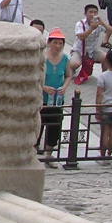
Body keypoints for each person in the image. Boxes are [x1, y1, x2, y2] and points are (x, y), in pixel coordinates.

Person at [40, 28, 73, 167]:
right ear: (49, 43)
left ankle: (49, 153)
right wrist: (44, 87)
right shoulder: (42, 58)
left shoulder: (65, 59)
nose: (57, 46)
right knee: (38, 125)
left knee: (55, 126)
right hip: (43, 100)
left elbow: (68, 75)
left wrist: (65, 87)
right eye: (55, 43)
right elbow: (35, 77)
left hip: (57, 99)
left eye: (60, 43)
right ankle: (34, 152)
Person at [73, 3, 112, 85]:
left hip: (93, 50)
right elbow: (81, 37)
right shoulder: (80, 24)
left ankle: (104, 77)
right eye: (90, 12)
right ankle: (69, 72)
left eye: (95, 12)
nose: (93, 14)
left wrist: (103, 23)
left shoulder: (98, 24)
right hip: (79, 50)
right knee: (75, 64)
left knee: (106, 57)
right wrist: (91, 28)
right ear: (85, 14)